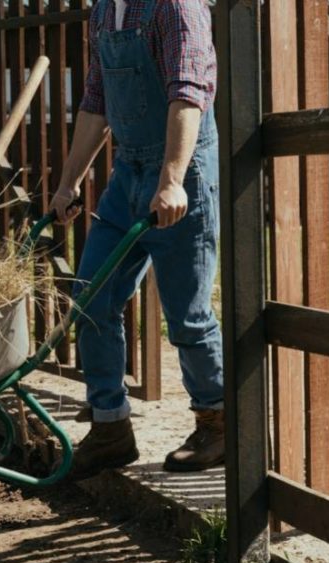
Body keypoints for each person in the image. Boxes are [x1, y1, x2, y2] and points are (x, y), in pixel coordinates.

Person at [51, 0, 222, 480]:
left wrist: (171, 181)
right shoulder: (104, 10)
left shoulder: (176, 6)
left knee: (186, 314)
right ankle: (110, 428)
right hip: (129, 170)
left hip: (181, 169)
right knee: (91, 300)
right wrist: (69, 182)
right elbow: (95, 99)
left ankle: (216, 420)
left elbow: (188, 94)